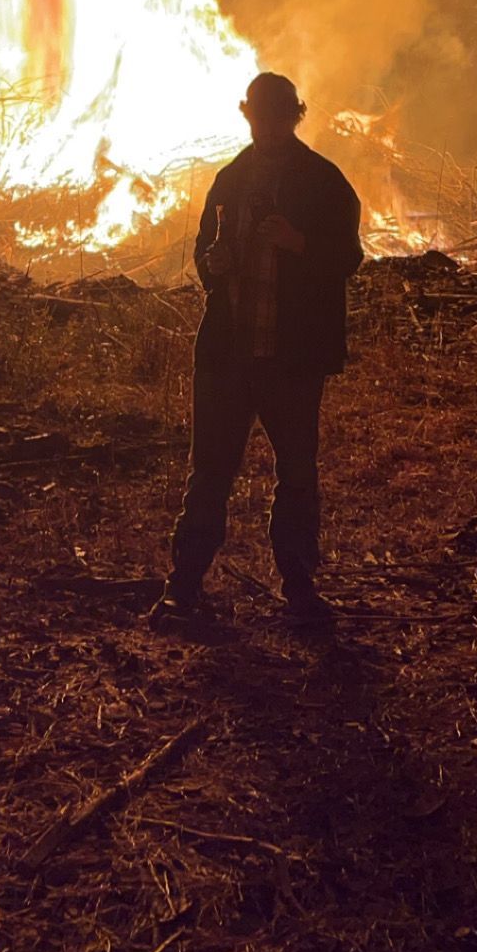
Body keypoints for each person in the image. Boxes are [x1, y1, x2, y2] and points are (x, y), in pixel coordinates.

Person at [154, 72, 362, 629]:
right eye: (259, 118)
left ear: (296, 116)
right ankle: (184, 584)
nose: (268, 128)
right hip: (228, 352)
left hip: (291, 358)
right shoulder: (230, 180)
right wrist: (212, 266)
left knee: (296, 472)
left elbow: (348, 257)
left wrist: (299, 244)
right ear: (245, 114)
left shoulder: (323, 182)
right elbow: (205, 252)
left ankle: (299, 586)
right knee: (210, 473)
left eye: (278, 118)